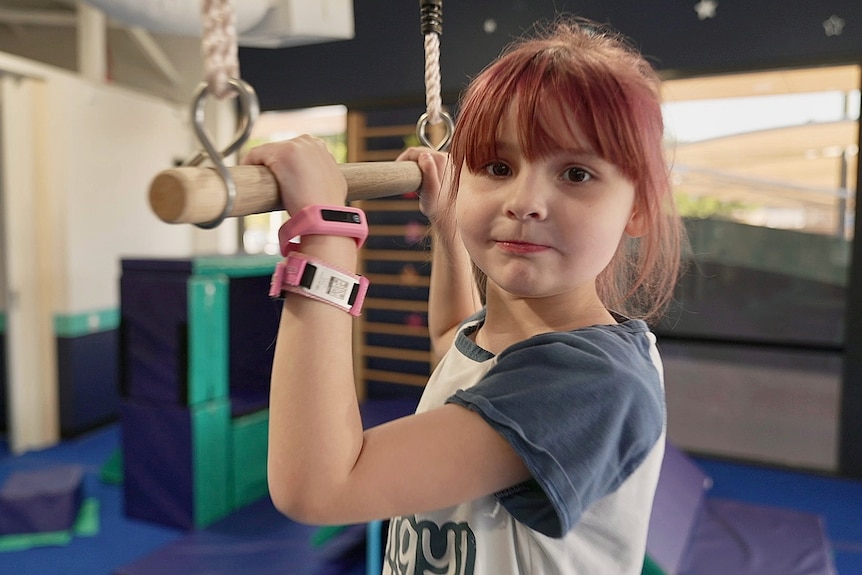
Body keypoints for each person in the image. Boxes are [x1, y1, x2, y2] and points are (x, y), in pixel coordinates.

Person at [242, 17, 683, 575]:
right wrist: (449, 226)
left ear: (638, 208)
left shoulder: (593, 384)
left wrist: (326, 238)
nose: (525, 201)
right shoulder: (518, 340)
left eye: (575, 173)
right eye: (497, 167)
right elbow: (454, 342)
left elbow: (318, 488)